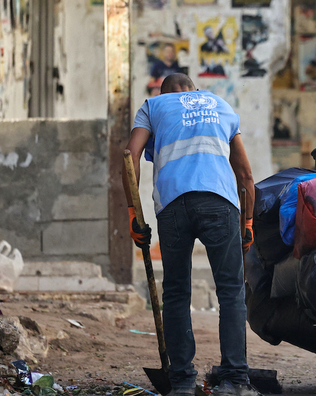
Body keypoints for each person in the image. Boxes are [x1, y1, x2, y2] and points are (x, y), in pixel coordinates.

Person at [122, 74, 261, 396]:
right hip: (220, 203)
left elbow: (129, 157)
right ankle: (235, 381)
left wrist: (133, 214)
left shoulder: (152, 106)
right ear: (195, 91)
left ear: (163, 92)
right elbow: (246, 173)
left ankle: (182, 382)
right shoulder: (220, 104)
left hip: (172, 204)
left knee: (176, 292)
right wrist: (249, 221)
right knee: (230, 291)